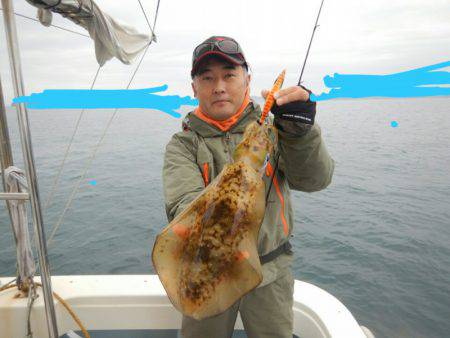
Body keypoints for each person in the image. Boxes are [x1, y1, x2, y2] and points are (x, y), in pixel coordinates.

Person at [163, 36, 334, 338]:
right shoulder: (183, 145)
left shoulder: (274, 129)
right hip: (204, 270)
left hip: (270, 274)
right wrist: (242, 170)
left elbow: (314, 180)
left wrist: (299, 132)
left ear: (247, 80)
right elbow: (183, 207)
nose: (219, 86)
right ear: (194, 88)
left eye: (229, 75)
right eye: (207, 78)